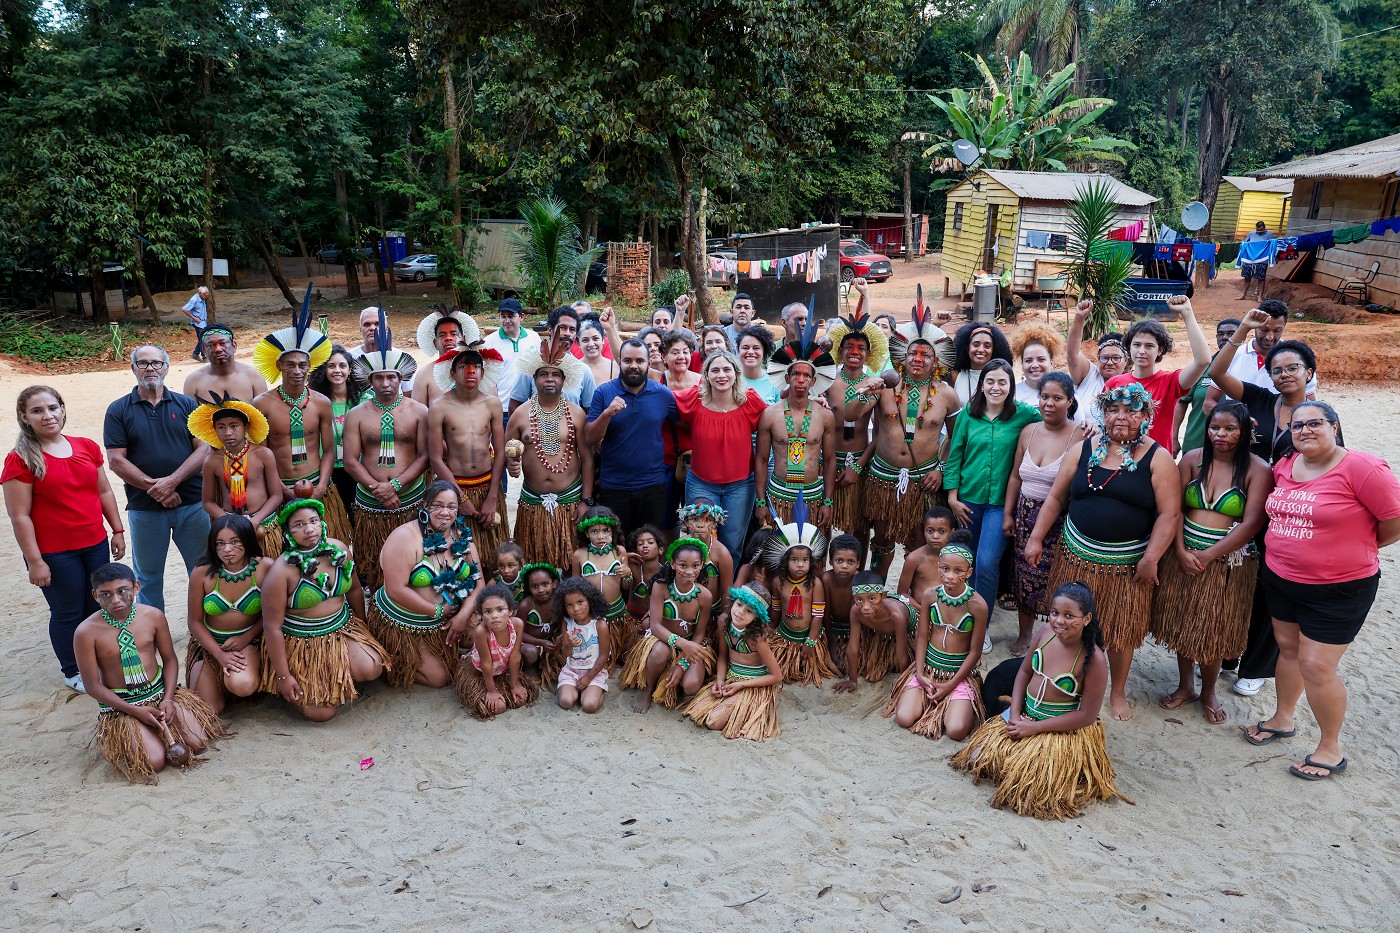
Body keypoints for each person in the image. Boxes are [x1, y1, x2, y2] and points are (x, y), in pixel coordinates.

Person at [1244, 402, 1400, 780]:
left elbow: (1393, 521)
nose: (1305, 431)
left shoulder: (1363, 468)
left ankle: (1330, 747)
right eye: (1297, 426)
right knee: (1289, 649)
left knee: (1316, 665)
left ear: (1334, 426)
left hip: (1339, 588)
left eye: (1315, 423)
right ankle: (1282, 718)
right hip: (1282, 578)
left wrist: (1358, 547)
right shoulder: (1285, 465)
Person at [1025, 384, 1181, 721]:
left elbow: (1169, 515)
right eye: (1113, 410)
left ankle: (1117, 692)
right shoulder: (1083, 449)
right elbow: (1056, 497)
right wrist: (1036, 538)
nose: (1121, 417)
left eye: (1131, 411)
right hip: (1075, 554)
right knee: (1070, 622)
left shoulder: (1159, 458)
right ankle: (1072, 679)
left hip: (1126, 563)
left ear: (1146, 416)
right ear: (1103, 414)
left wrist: (1151, 558)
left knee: (1121, 629)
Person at [1208, 316, 1324, 696]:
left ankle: (1256, 667)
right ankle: (1227, 654)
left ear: (1309, 373)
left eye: (1293, 368)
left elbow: (1328, 468)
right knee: (1237, 584)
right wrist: (1242, 331)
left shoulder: (1319, 417)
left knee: (1272, 591)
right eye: (1277, 369)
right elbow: (1216, 372)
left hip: (1287, 516)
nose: (1284, 375)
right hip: (1245, 506)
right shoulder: (1258, 398)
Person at [951, 582, 1127, 820]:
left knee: (1026, 785)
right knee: (976, 759)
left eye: (1069, 615)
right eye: (1054, 613)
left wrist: (1034, 728)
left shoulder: (1094, 659)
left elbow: (1086, 716)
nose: (1059, 621)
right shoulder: (1045, 633)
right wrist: (1015, 715)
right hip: (1025, 714)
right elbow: (1024, 673)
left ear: (1087, 619)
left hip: (1057, 729)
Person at [1152, 401, 1272, 724]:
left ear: (1244, 432)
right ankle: (1185, 686)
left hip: (1228, 563)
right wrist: (1179, 550)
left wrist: (1209, 554)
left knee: (1214, 627)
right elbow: (1174, 509)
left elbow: (1252, 523)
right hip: (1184, 553)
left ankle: (1208, 692)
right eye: (1215, 427)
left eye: (1230, 429)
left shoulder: (1258, 469)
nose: (1221, 434)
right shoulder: (1192, 459)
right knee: (1183, 621)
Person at [4, 386, 125, 691]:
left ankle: (99, 660)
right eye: (37, 411)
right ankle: (73, 671)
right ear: (24, 417)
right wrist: (35, 561)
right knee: (68, 612)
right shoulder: (20, 459)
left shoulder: (85, 447)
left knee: (97, 605)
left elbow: (103, 491)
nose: (48, 415)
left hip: (94, 543)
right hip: (55, 553)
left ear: (62, 409)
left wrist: (117, 530)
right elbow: (20, 516)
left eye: (52, 408)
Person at [77, 563, 225, 783]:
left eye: (122, 591)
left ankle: (153, 731)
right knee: (155, 762)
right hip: (122, 706)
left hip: (160, 695)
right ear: (95, 595)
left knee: (198, 743)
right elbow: (92, 685)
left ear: (136, 587)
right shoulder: (86, 632)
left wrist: (168, 699)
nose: (116, 600)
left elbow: (170, 659)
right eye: (105, 594)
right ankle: (139, 733)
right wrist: (134, 711)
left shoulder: (153, 616)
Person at [848, 311, 959, 578]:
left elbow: (956, 439)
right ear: (903, 357)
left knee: (918, 541)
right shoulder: (885, 387)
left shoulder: (947, 395)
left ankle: (914, 598)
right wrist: (866, 391)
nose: (918, 359)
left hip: (923, 481)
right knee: (882, 540)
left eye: (925, 355)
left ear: (936, 361)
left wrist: (941, 469)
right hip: (882, 479)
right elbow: (850, 415)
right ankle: (875, 592)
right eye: (912, 354)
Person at [104, 345, 209, 612]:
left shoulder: (187, 405)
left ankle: (208, 625)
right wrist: (158, 489)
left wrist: (171, 481)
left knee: (202, 570)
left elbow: (204, 449)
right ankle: (152, 629)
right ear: (133, 368)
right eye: (143, 363)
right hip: (145, 508)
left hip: (192, 504)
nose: (150, 368)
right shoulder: (118, 410)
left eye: (156, 363)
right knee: (148, 577)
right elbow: (116, 460)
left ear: (166, 367)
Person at [260, 499, 386, 721]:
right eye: (298, 525)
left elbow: (355, 590)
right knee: (322, 714)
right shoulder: (281, 571)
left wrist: (363, 628)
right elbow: (272, 628)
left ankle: (336, 673)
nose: (309, 529)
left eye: (313, 521)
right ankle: (304, 684)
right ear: (288, 533)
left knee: (372, 668)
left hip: (341, 627)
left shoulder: (339, 550)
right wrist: (283, 676)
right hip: (303, 642)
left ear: (322, 523)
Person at [943, 359, 1044, 631]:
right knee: (965, 559)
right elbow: (955, 454)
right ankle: (959, 616)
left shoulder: (1024, 414)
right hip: (967, 501)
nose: (995, 387)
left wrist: (1083, 429)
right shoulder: (968, 413)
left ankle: (980, 626)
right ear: (982, 385)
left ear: (1011, 386)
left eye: (1002, 382)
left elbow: (1053, 421)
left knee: (987, 563)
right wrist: (952, 498)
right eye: (990, 381)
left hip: (1001, 504)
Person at [366, 480, 485, 690]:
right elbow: (396, 590)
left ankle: (447, 642)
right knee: (439, 678)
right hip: (406, 622)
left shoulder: (461, 535)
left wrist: (462, 617)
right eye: (437, 505)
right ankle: (393, 654)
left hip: (449, 614)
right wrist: (437, 611)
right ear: (424, 506)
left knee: (480, 638)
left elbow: (479, 582)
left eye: (451, 507)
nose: (445, 513)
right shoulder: (405, 537)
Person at [251, 301, 350, 546]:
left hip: (318, 485)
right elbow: (261, 454)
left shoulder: (321, 403)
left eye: (302, 365)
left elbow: (329, 451)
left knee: (327, 548)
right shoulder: (262, 404)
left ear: (310, 367)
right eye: (290, 364)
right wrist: (278, 490)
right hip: (278, 489)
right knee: (283, 550)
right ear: (279, 365)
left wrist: (322, 486)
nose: (297, 370)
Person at [345, 312, 430, 590]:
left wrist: (394, 485)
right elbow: (350, 460)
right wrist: (377, 488)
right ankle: (375, 594)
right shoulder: (357, 414)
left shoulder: (419, 411)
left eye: (391, 377)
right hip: (371, 501)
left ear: (400, 378)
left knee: (414, 561)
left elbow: (425, 456)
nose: (385, 384)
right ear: (370, 381)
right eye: (379, 378)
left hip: (410, 496)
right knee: (372, 563)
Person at [1002, 372, 1079, 655]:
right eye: (1044, 397)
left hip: (1060, 520)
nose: (1049, 403)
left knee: (1058, 579)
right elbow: (1015, 476)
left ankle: (1058, 638)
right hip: (1025, 515)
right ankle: (1025, 635)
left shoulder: (1081, 435)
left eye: (1057, 398)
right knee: (1025, 575)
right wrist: (1008, 514)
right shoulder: (1029, 431)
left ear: (1070, 401)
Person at [885, 533, 988, 740]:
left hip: (958, 674)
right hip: (928, 668)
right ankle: (932, 702)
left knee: (956, 731)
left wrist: (951, 685)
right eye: (945, 569)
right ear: (938, 567)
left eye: (958, 571)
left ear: (969, 572)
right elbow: (922, 637)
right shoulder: (930, 595)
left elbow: (975, 652)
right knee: (903, 718)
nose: (950, 576)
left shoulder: (978, 605)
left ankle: (950, 704)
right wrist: (920, 673)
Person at [506, 332, 594, 572]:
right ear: (534, 379)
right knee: (533, 566)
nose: (549, 379)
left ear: (564, 380)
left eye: (555, 374)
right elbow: (506, 453)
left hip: (570, 502)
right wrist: (511, 464)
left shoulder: (576, 414)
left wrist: (586, 501)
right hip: (532, 502)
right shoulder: (520, 414)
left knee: (571, 565)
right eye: (543, 374)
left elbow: (587, 460)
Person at [672, 351, 769, 556]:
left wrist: (815, 401)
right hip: (701, 483)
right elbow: (663, 400)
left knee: (732, 544)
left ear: (736, 374)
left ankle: (727, 578)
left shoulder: (750, 401)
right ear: (706, 375)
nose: (721, 375)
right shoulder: (694, 399)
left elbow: (776, 415)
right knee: (699, 541)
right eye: (715, 370)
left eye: (727, 369)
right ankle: (700, 578)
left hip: (740, 486)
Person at [585, 338, 678, 535]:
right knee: (618, 544)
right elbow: (589, 438)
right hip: (614, 486)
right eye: (628, 361)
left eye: (640, 361)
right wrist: (607, 414)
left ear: (649, 363)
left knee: (650, 544)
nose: (633, 366)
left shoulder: (663, 394)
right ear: (619, 362)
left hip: (653, 485)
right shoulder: (603, 392)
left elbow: (680, 426)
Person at [428, 338, 509, 560]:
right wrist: (459, 498)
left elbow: (500, 452)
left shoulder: (492, 404)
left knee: (493, 555)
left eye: (476, 367)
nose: (470, 371)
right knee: (458, 555)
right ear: (452, 373)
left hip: (487, 486)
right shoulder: (439, 407)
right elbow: (435, 458)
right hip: (456, 486)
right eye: (463, 366)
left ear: (483, 373)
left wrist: (493, 497)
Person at [620, 536, 715, 713]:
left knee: (691, 686)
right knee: (660, 651)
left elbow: (699, 634)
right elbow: (655, 626)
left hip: (690, 644)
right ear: (672, 564)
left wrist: (682, 664)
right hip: (662, 639)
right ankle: (648, 688)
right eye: (683, 565)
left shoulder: (705, 596)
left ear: (702, 565)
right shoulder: (661, 587)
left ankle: (671, 683)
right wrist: (681, 643)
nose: (689, 571)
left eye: (695, 566)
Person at [1103, 293, 1210, 451]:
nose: (1141, 351)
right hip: (1118, 458)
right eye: (1137, 344)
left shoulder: (1170, 382)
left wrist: (1187, 313)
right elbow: (1104, 423)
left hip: (1156, 461)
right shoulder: (1115, 383)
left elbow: (1203, 361)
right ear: (1129, 347)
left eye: (1149, 346)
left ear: (1160, 350)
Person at [184, 514, 267, 713]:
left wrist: (246, 638)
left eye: (235, 542)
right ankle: (211, 673)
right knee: (210, 709)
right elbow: (194, 621)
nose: (227, 549)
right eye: (219, 543)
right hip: (211, 646)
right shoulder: (201, 572)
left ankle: (244, 676)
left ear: (247, 540)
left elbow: (273, 615)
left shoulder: (265, 567)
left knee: (242, 685)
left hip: (249, 642)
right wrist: (219, 654)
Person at [757, 332, 838, 531]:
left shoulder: (825, 416)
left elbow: (830, 460)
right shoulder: (770, 414)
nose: (801, 380)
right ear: (787, 377)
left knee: (812, 549)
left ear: (813, 381)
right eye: (796, 374)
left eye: (806, 375)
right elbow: (761, 460)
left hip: (813, 495)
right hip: (779, 494)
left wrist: (828, 501)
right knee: (779, 548)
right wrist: (761, 502)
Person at [684, 583, 784, 741]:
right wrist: (719, 680)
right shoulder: (724, 622)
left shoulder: (757, 638)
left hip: (753, 684)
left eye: (749, 611)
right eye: (739, 604)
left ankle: (749, 710)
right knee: (697, 712)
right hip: (731, 678)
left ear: (757, 617)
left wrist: (741, 685)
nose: (740, 612)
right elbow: (723, 656)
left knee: (713, 722)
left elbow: (777, 676)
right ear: (733, 601)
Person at [189, 393, 283, 554]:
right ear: (214, 429)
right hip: (230, 526)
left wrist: (255, 521)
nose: (228, 433)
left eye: (234, 426)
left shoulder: (263, 455)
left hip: (262, 523)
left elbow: (276, 496)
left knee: (267, 566)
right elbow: (208, 502)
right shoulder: (212, 461)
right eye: (221, 427)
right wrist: (229, 522)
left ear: (246, 427)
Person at [824, 312, 889, 542]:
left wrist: (858, 467)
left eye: (861, 348)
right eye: (849, 347)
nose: (854, 352)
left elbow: (880, 434)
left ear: (868, 354)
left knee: (860, 526)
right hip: (828, 462)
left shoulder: (875, 386)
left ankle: (858, 567)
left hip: (861, 462)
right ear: (840, 352)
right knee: (823, 523)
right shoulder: (827, 383)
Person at [760, 519, 838, 686]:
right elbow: (776, 610)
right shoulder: (778, 582)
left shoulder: (815, 584)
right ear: (785, 561)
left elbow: (818, 616)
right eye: (794, 560)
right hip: (785, 636)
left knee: (807, 666)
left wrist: (810, 641)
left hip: (809, 636)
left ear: (811, 562)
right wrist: (770, 630)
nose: (800, 565)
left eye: (805, 560)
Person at [1205, 299, 1317, 409]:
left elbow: (1310, 407)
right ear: (1255, 325)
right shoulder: (1232, 356)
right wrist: (1234, 418)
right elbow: (1209, 401)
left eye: (1277, 330)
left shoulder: (1299, 360)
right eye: (1264, 330)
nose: (1269, 337)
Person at [454, 583, 537, 719]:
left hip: (502, 670)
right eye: (488, 612)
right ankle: (491, 690)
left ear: (510, 611)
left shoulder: (517, 625)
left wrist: (514, 685)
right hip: (481, 673)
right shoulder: (481, 632)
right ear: (481, 615)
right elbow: (486, 663)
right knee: (498, 707)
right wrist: (491, 691)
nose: (494, 616)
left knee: (519, 700)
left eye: (500, 609)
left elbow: (515, 656)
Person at [308, 345, 367, 520]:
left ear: (350, 370)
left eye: (342, 366)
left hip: (358, 469)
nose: (337, 370)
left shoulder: (364, 400)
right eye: (331, 366)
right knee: (335, 520)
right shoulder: (315, 402)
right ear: (323, 370)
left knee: (358, 519)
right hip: (328, 471)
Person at [571, 506, 634, 660]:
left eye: (605, 530)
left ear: (612, 531)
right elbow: (574, 588)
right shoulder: (579, 555)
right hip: (590, 614)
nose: (600, 536)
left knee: (619, 655)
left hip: (616, 613)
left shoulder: (619, 552)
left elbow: (626, 586)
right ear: (586, 533)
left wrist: (628, 574)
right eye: (594, 531)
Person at [834, 571, 915, 691]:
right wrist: (852, 680)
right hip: (878, 632)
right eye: (859, 600)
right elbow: (853, 648)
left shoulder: (896, 616)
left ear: (883, 596)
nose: (866, 607)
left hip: (905, 633)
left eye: (872, 599)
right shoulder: (855, 611)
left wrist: (904, 683)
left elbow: (902, 654)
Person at [508, 307, 596, 413]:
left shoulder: (583, 370)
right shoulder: (531, 365)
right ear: (550, 329)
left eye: (572, 330)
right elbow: (515, 405)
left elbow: (591, 411)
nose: (567, 333)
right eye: (562, 328)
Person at [1175, 318, 1241, 456]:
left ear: (1242, 336)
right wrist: (1173, 437)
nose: (1225, 337)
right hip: (1196, 444)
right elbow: (1181, 403)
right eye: (1221, 334)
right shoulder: (1202, 366)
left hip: (1235, 447)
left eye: (1231, 334)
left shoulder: (1248, 366)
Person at [553, 576, 613, 714]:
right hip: (571, 670)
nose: (576, 609)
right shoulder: (567, 622)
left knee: (590, 706)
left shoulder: (600, 624)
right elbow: (565, 653)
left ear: (590, 601)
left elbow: (604, 655)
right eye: (569, 605)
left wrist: (588, 678)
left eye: (580, 602)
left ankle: (596, 691)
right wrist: (570, 645)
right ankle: (574, 690)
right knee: (566, 702)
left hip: (593, 672)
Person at [1065, 300, 1127, 415]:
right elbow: (1073, 354)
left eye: (1116, 358)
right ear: (1098, 359)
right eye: (1104, 358)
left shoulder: (1132, 386)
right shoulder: (1090, 376)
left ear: (1126, 360)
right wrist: (1079, 318)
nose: (1109, 363)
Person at [482, 298, 540, 417]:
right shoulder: (488, 342)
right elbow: (485, 378)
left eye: (511, 316)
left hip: (530, 407)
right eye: (503, 316)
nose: (507, 321)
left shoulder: (534, 338)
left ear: (521, 317)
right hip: (501, 408)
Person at [182, 324, 268, 402]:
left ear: (234, 346)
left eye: (223, 343)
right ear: (204, 350)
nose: (218, 349)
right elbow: (190, 414)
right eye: (210, 345)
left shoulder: (254, 376)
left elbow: (264, 412)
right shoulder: (193, 381)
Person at [821, 533, 865, 680]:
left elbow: (855, 617)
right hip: (831, 626)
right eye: (839, 560)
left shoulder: (858, 581)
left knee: (853, 662)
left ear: (858, 564)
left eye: (850, 562)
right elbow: (825, 612)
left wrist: (850, 644)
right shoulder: (826, 579)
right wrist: (831, 642)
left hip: (854, 627)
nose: (844, 566)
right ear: (831, 561)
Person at [410, 306, 470, 407]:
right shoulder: (424, 375)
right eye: (442, 335)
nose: (448, 338)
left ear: (464, 339)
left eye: (454, 334)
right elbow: (417, 413)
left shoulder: (478, 371)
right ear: (435, 343)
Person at [348, 306, 416, 394]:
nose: (372, 328)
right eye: (367, 324)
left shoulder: (401, 358)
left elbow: (408, 394)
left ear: (386, 328)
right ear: (360, 329)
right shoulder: (349, 358)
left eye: (377, 324)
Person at [895, 506, 955, 601]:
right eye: (930, 531)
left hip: (949, 608)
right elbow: (902, 594)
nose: (935, 536)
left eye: (942, 531)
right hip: (919, 608)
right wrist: (922, 609)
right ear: (924, 532)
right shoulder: (914, 558)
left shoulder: (957, 558)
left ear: (952, 532)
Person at [948, 321, 1013, 407]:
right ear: (967, 348)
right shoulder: (956, 375)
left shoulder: (1003, 376)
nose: (981, 350)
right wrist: (937, 324)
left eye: (987, 346)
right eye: (976, 345)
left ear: (994, 350)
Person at [518, 563, 562, 681]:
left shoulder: (558, 602)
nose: (541, 590)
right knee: (530, 652)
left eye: (545, 584)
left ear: (554, 583)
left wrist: (559, 639)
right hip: (529, 643)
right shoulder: (526, 605)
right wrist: (540, 642)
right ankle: (529, 666)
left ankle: (551, 664)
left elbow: (562, 625)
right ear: (528, 588)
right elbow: (519, 634)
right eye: (535, 586)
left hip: (549, 641)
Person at [1011, 323, 1063, 405]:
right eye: (1028, 360)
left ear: (1051, 363)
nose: (1035, 365)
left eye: (1041, 360)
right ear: (1022, 365)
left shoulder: (1064, 392)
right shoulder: (1012, 395)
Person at [1238, 220, 1274, 301]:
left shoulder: (1269, 234)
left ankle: (1260, 297)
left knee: (1261, 278)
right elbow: (1245, 244)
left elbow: (1272, 246)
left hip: (1262, 259)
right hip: (1250, 259)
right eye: (1258, 230)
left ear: (1265, 228)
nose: (1259, 232)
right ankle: (1243, 294)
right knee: (1247, 277)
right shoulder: (1251, 233)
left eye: (1261, 230)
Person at [578, 316, 619, 386]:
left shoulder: (615, 367)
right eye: (585, 340)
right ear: (579, 344)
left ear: (603, 340)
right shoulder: (574, 368)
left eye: (595, 338)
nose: (591, 344)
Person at [182, 285, 210, 360]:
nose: (206, 296)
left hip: (203, 322)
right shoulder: (194, 300)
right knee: (203, 339)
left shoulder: (202, 298)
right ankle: (204, 356)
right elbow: (184, 309)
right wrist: (194, 318)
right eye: (205, 294)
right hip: (198, 323)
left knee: (202, 338)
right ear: (201, 293)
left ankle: (196, 353)